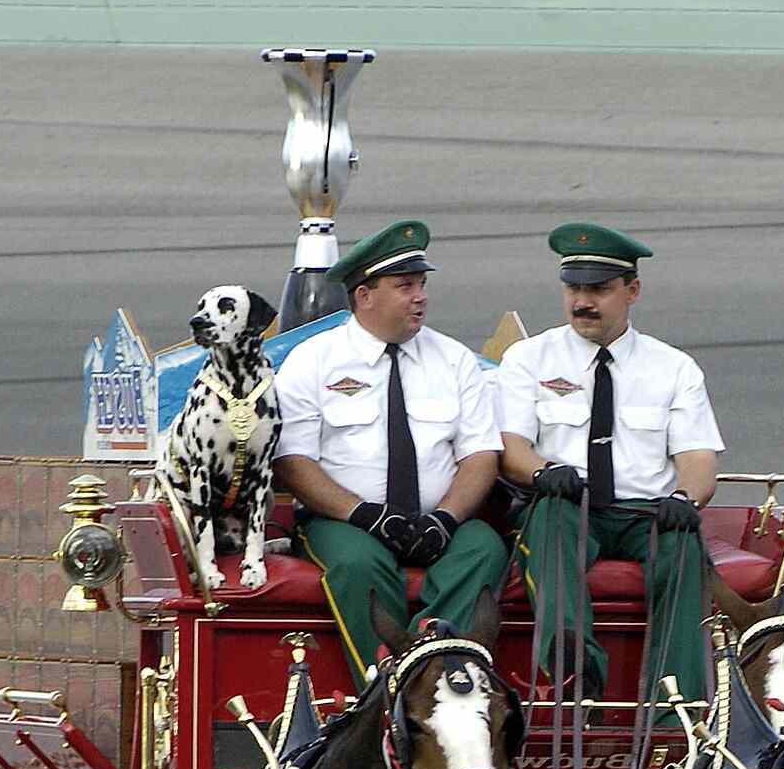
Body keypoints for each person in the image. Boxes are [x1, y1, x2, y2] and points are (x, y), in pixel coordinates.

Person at [497, 222, 722, 703]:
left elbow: (699, 459)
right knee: (549, 520)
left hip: (646, 513)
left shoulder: (673, 367)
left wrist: (686, 498)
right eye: (574, 288)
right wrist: (542, 473)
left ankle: (676, 709)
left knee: (684, 547)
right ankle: (576, 670)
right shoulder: (528, 359)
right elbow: (511, 448)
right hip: (567, 503)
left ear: (632, 291)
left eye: (598, 289)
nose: (583, 301)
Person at [272, 219, 506, 679]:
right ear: (364, 296)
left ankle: (428, 666)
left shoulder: (454, 360)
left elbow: (480, 456)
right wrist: (364, 515)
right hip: (346, 522)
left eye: (421, 284)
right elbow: (293, 462)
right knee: (358, 564)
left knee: (483, 548)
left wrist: (447, 518)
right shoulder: (313, 360)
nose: (420, 296)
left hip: (437, 521)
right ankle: (382, 687)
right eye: (405, 286)